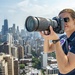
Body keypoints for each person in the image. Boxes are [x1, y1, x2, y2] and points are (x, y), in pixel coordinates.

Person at [40, 8, 75, 75]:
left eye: (66, 20)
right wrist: (47, 36)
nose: (63, 23)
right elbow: (47, 49)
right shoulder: (63, 38)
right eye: (60, 21)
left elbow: (65, 69)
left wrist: (56, 40)